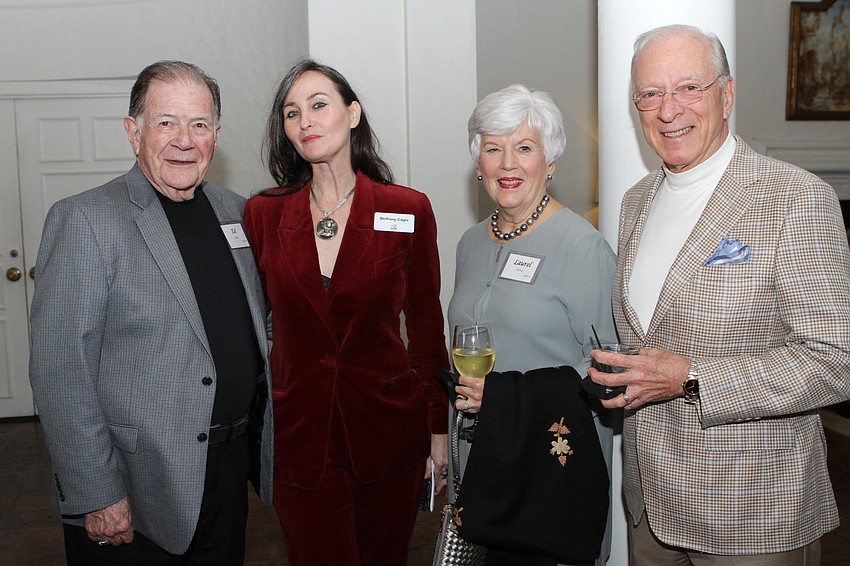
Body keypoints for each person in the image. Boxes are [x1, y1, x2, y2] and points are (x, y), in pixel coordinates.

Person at [588, 24, 850, 564]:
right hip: (651, 508)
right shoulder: (636, 201)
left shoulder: (795, 199)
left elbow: (836, 361)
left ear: (727, 95)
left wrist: (692, 378)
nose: (668, 109)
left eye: (689, 87)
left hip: (753, 514)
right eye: (651, 93)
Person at [29, 60, 273, 566]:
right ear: (132, 131)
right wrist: (96, 491)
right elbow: (60, 372)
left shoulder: (240, 213)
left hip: (228, 472)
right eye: (166, 122)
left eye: (199, 124)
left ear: (216, 136)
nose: (184, 140)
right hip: (136, 488)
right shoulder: (85, 220)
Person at [242, 59, 449, 565]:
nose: (305, 121)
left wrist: (438, 431)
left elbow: (425, 328)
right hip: (300, 435)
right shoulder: (264, 214)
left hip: (389, 432)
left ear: (352, 113)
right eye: (292, 114)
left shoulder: (407, 209)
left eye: (318, 105)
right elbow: (248, 325)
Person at [448, 84, 617, 566]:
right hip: (483, 461)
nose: (507, 164)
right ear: (478, 164)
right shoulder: (469, 244)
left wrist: (506, 397)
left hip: (549, 468)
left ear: (551, 161)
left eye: (524, 148)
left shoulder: (582, 247)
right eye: (493, 149)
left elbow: (608, 366)